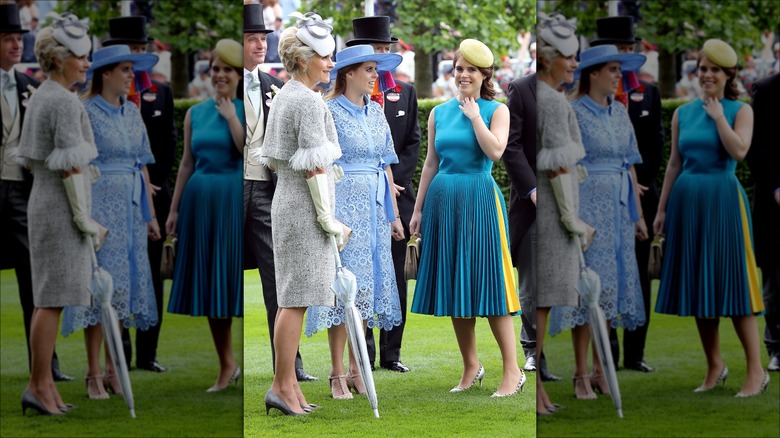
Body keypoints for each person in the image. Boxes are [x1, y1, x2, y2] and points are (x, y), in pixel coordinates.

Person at [409, 38, 524, 397]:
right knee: (457, 283)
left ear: (484, 74)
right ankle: (471, 366)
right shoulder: (438, 113)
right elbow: (430, 163)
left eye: (471, 70)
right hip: (443, 200)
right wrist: (418, 210)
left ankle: (512, 370)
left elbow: (496, 150)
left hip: (479, 198)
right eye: (459, 68)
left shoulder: (496, 110)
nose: (463, 75)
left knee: (489, 285)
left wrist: (475, 117)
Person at [654, 39, 769, 397]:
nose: (706, 75)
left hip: (723, 201)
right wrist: (661, 209)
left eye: (714, 70)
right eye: (703, 68)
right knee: (698, 285)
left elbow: (740, 150)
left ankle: (756, 371)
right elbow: (674, 163)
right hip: (688, 203)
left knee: (734, 286)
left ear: (728, 74)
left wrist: (719, 117)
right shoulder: (682, 113)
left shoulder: (741, 110)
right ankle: (714, 366)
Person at [60, 45, 160, 399]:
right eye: (125, 69)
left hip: (131, 211)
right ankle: (91, 373)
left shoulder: (133, 112)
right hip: (100, 207)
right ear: (106, 73)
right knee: (97, 288)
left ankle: (114, 370)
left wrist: (150, 214)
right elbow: (78, 164)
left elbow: (142, 163)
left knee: (121, 291)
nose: (131, 75)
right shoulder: (85, 112)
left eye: (132, 69)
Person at [304, 44, 404, 399]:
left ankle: (358, 369)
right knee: (341, 289)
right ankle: (335, 373)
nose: (376, 76)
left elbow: (386, 163)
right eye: (369, 69)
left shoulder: (376, 112)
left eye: (376, 69)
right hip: (344, 208)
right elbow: (320, 164)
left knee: (364, 291)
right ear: (349, 74)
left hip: (375, 210)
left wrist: (393, 214)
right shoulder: (328, 111)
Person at [16, 12, 104, 415]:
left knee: (45, 299)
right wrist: (84, 218)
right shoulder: (62, 100)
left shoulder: (42, 94)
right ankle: (38, 385)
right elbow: (70, 166)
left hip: (44, 203)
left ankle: (45, 386)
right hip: (59, 208)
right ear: (60, 58)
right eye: (81, 57)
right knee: (50, 300)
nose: (87, 63)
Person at [550, 44, 649, 398]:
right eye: (612, 70)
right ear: (593, 74)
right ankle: (579, 373)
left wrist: (636, 214)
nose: (618, 76)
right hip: (587, 207)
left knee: (607, 292)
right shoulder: (572, 111)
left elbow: (630, 163)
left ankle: (600, 370)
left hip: (619, 211)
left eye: (619, 70)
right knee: (584, 290)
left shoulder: (620, 113)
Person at [257, 12, 342, 416]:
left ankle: (288, 386)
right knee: (294, 300)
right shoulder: (305, 99)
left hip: (290, 203)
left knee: (295, 298)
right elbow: (314, 166)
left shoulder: (290, 93)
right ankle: (280, 385)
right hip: (302, 207)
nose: (330, 63)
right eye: (325, 57)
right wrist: (328, 219)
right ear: (305, 58)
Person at [242, 3, 316, 382]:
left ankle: (290, 365)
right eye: (251, 38)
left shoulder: (276, 87)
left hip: (266, 189)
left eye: (262, 38)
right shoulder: (222, 85)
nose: (259, 45)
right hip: (230, 188)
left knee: (278, 279)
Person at [166, 39, 245, 393]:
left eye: (227, 69)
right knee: (213, 285)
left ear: (239, 75)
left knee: (235, 284)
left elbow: (249, 152)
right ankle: (227, 364)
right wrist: (174, 209)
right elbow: (186, 163)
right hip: (200, 201)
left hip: (232, 201)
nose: (220, 75)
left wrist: (231, 118)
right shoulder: (194, 113)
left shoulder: (247, 109)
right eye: (215, 68)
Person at [0, 2, 72, 383]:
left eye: (18, 38)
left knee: (35, 280)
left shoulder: (30, 87)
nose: (16, 45)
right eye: (8, 39)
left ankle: (45, 365)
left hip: (22, 192)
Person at [346, 15, 421, 374]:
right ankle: (366, 355)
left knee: (393, 273)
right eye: (374, 50)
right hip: (359, 197)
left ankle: (393, 353)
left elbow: (413, 143)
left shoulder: (404, 92)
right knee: (360, 275)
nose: (381, 55)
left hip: (396, 195)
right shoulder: (346, 99)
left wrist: (394, 183)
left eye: (385, 48)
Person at [102, 16, 177, 374]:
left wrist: (151, 183)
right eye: (129, 48)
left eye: (139, 47)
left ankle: (147, 354)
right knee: (116, 274)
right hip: (115, 195)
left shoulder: (160, 92)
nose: (136, 53)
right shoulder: (103, 100)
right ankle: (119, 355)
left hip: (154, 195)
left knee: (149, 273)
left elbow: (168, 145)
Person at [589, 15, 664, 374]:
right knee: (602, 274)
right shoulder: (589, 99)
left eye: (627, 48)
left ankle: (636, 353)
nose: (623, 54)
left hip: (640, 194)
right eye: (617, 49)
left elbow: (655, 144)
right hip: (601, 195)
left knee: (635, 272)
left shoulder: (648, 92)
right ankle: (608, 356)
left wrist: (640, 182)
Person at [534, 11, 593, 410]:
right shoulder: (551, 100)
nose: (574, 63)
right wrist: (572, 219)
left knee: (542, 301)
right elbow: (557, 164)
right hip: (552, 214)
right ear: (548, 57)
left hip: (544, 208)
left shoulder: (538, 94)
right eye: (569, 56)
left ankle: (537, 391)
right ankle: (535, 393)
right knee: (543, 302)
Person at [746, 73, 780, 373]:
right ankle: (777, 347)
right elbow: (755, 147)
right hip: (775, 202)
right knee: (775, 278)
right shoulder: (767, 89)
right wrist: (776, 188)